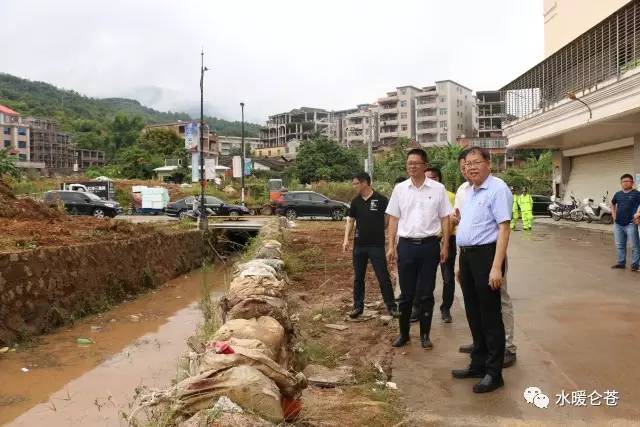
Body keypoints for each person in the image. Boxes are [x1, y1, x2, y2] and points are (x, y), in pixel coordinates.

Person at [451, 147, 512, 393]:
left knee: (490, 316)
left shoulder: (497, 189)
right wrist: (458, 263)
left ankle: (494, 373)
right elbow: (466, 229)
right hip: (467, 258)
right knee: (474, 315)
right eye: (467, 163)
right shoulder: (471, 192)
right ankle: (478, 364)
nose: (471, 167)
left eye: (476, 162)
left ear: (489, 163)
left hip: (487, 257)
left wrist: (496, 267)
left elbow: (504, 228)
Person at [386, 148, 452, 349]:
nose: (412, 166)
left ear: (425, 165)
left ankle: (425, 335)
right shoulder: (400, 189)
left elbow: (445, 218)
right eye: (409, 163)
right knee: (406, 295)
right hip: (405, 246)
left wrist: (445, 244)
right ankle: (404, 334)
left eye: (416, 163)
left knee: (426, 293)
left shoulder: (437, 189)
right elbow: (393, 219)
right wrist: (391, 246)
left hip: (429, 246)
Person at [343, 172, 399, 318]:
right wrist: (346, 239)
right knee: (358, 277)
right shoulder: (355, 201)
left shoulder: (381, 200)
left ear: (364, 183)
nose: (354, 186)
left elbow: (387, 220)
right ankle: (358, 307)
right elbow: (351, 220)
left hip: (376, 245)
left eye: (356, 183)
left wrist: (378, 230)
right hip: (359, 245)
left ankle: (392, 306)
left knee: (383, 276)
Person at [425, 167, 456, 323]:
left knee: (448, 278)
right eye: (427, 178)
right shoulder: (421, 195)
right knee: (424, 277)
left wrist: (446, 237)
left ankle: (446, 309)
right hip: (428, 241)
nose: (429, 181)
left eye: (433, 178)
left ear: (439, 179)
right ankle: (421, 309)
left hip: (447, 240)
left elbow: (454, 219)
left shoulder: (450, 196)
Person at [611, 174, 640, 271]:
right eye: (624, 181)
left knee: (634, 245)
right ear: (621, 183)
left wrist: (638, 215)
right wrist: (614, 216)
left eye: (628, 181)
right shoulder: (618, 194)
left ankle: (635, 265)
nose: (626, 183)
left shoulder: (637, 194)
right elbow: (612, 203)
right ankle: (621, 262)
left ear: (632, 182)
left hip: (631, 224)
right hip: (618, 224)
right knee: (620, 244)